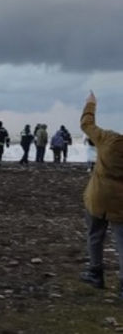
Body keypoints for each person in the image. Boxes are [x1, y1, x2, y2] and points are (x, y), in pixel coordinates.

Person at [78, 91, 123, 297]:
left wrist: (90, 105)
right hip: (120, 202)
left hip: (98, 196)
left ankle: (96, 273)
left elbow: (87, 125)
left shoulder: (108, 139)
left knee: (95, 235)